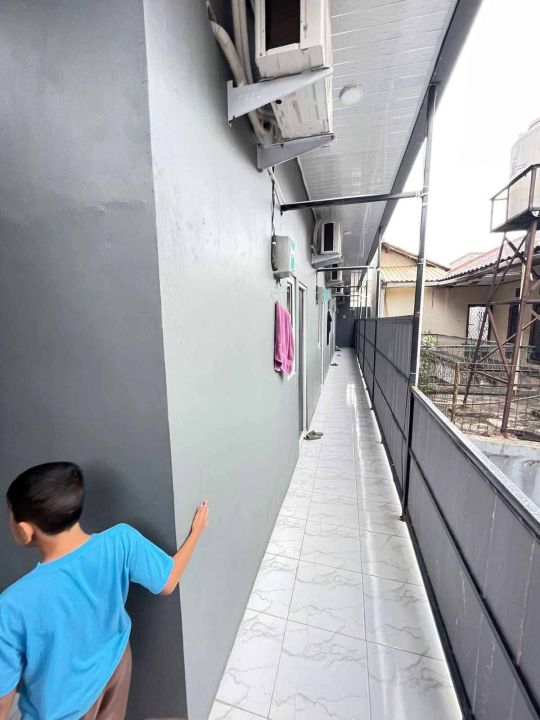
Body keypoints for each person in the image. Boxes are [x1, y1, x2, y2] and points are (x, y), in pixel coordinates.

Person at [0, 462, 209, 720]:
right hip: (115, 667)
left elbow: (2, 698)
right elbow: (168, 581)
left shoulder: (13, 605)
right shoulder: (121, 541)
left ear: (24, 530)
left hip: (61, 709)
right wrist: (196, 532)